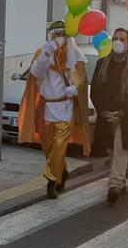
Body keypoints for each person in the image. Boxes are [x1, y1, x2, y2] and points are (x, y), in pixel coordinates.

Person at [19, 20, 91, 199]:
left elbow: (82, 82)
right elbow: (35, 74)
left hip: (65, 107)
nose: (60, 38)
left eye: (63, 35)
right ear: (51, 36)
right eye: (56, 35)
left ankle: (51, 181)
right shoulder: (43, 53)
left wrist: (74, 89)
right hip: (47, 108)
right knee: (49, 148)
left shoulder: (77, 55)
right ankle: (62, 171)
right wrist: (46, 54)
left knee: (59, 145)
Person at [91, 28, 128, 203]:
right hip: (107, 114)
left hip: (127, 115)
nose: (118, 42)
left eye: (122, 39)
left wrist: (123, 113)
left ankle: (114, 185)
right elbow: (95, 91)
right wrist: (104, 111)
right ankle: (121, 180)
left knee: (120, 148)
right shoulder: (102, 63)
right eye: (115, 39)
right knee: (111, 149)